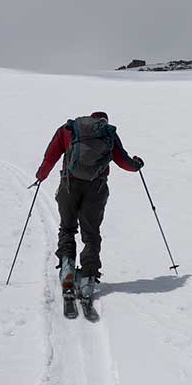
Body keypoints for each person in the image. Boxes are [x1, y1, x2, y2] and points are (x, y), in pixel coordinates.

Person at [33, 111, 143, 300]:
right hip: (96, 189)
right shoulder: (109, 134)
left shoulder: (69, 129)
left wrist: (41, 176)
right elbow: (123, 161)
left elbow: (51, 156)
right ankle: (89, 277)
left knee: (67, 228)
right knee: (91, 234)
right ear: (104, 121)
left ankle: (67, 267)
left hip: (69, 185)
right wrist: (136, 165)